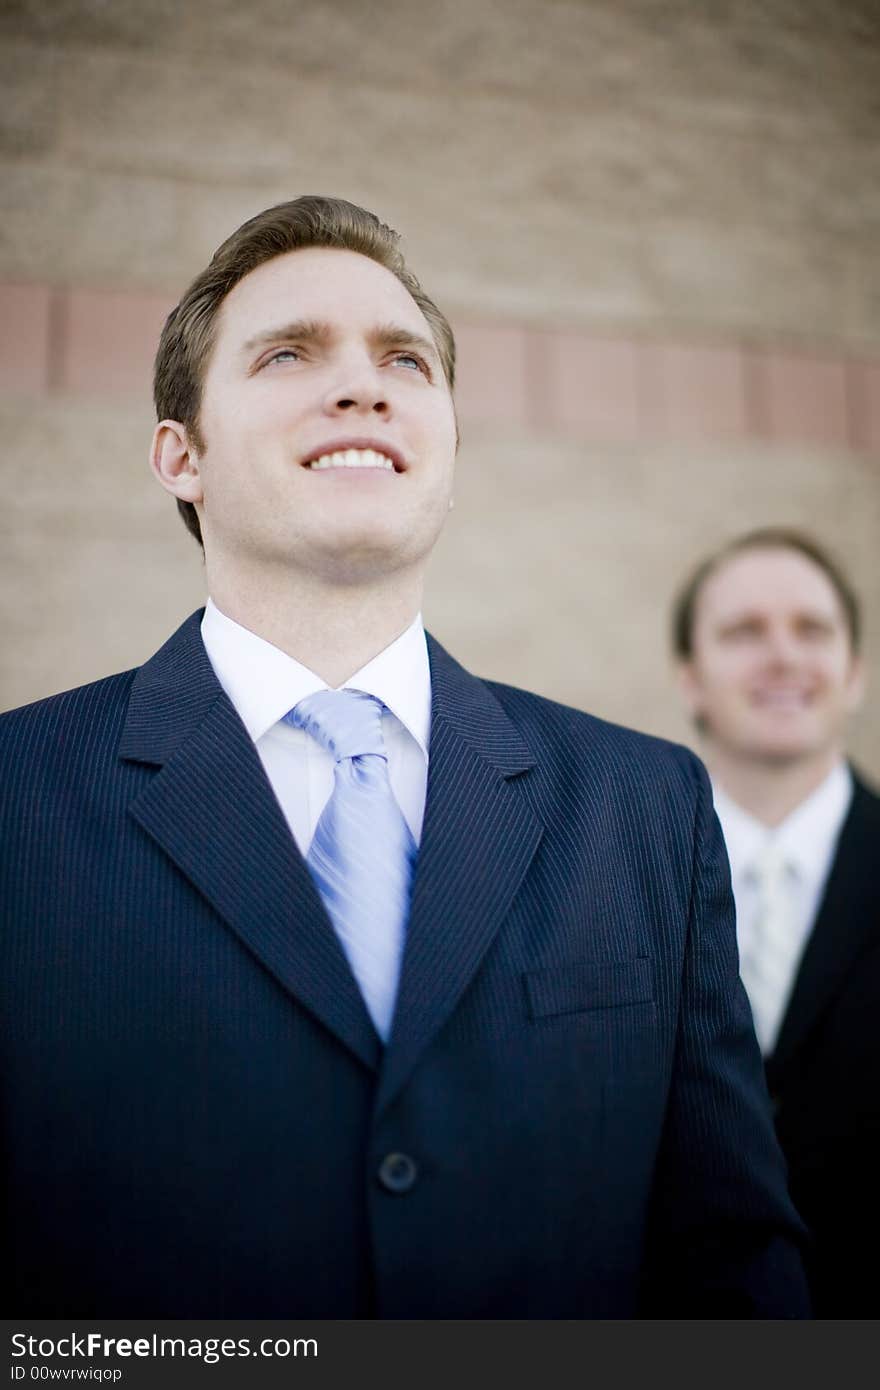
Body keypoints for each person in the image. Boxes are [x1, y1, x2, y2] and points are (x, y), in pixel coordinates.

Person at [1, 196, 809, 1319]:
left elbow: (731, 1257)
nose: (361, 384)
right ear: (178, 456)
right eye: (288, 352)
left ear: (447, 447)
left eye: (404, 359)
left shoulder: (645, 805)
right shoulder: (15, 801)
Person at [673, 527, 879, 1317]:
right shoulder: (610, 882)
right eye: (744, 632)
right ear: (690, 678)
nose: (784, 657)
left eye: (812, 630)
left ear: (854, 673)